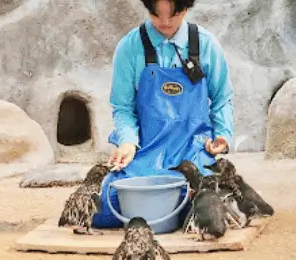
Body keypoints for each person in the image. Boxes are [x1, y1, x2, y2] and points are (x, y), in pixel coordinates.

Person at [93, 0, 234, 229]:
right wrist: (128, 143)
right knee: (103, 211)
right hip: (146, 155)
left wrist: (223, 135)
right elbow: (123, 107)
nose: (166, 23)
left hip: (192, 153)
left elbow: (222, 99)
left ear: (187, 7)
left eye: (174, 14)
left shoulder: (206, 44)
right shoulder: (130, 47)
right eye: (156, 15)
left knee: (202, 201)